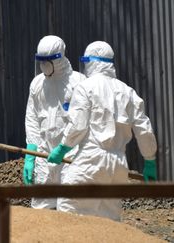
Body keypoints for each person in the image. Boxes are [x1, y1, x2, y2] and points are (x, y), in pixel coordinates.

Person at [47, 41, 157, 221]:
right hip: (118, 167)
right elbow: (143, 129)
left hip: (90, 162)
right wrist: (150, 160)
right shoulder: (127, 91)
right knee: (109, 220)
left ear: (91, 61)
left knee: (69, 209)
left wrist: (63, 148)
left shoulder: (85, 87)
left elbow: (78, 125)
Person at [24, 35, 85, 209]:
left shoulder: (78, 83)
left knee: (70, 207)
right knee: (42, 207)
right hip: (44, 154)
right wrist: (31, 154)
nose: (43, 66)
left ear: (58, 59)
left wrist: (65, 147)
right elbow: (32, 120)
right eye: (40, 61)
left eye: (47, 61)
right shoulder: (37, 84)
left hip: (71, 154)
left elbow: (81, 122)